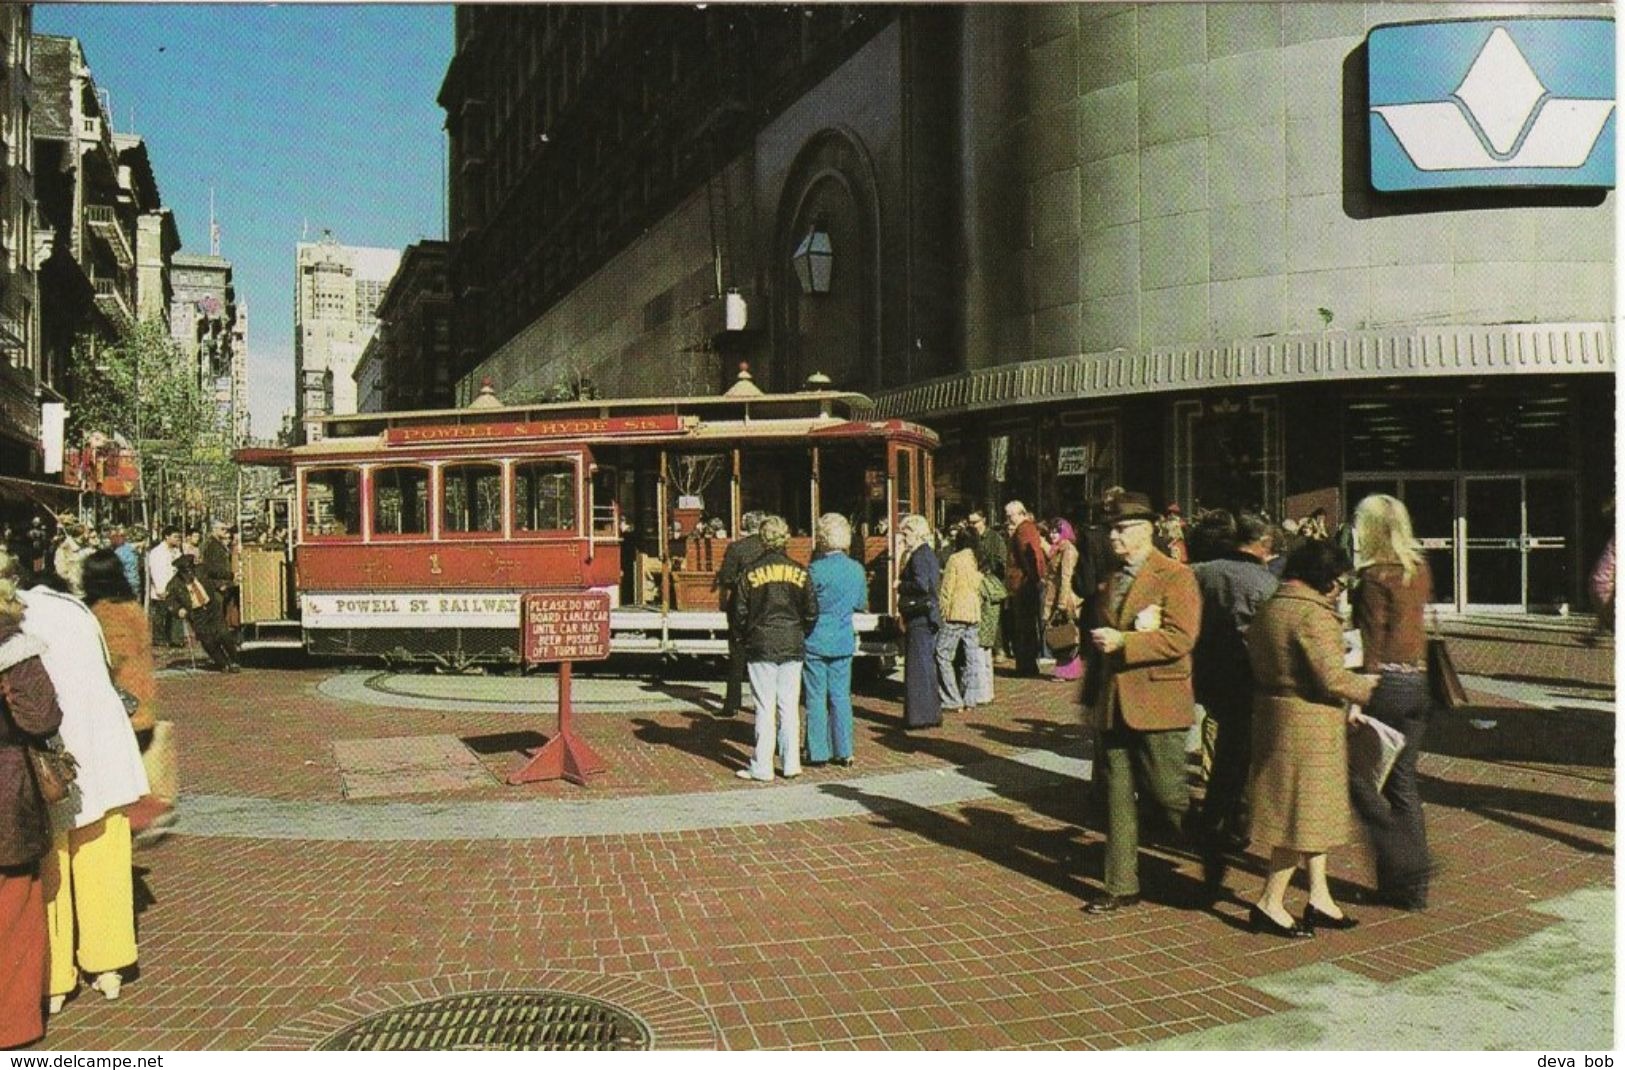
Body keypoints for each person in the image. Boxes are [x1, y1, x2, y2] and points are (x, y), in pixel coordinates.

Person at [12, 556, 149, 1010]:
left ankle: (53, 978)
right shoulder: (72, 609)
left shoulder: (15, 619)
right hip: (104, 747)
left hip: (52, 756)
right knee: (103, 859)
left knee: (51, 864)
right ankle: (108, 963)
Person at [1078, 491, 1204, 914]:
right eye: (1110, 528)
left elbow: (1182, 637)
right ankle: (1120, 885)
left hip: (1158, 700)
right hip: (1115, 702)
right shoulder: (1111, 578)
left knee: (1168, 795)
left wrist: (1126, 641)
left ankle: (1213, 846)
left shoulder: (1175, 576)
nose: (1112, 536)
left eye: (1121, 528)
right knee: (1116, 796)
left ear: (1146, 531)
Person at [1246, 539, 1376, 937]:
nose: (1340, 590)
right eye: (1340, 582)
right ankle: (1270, 901)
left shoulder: (1273, 606)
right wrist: (1372, 688)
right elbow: (1331, 677)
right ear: (1326, 579)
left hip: (1277, 714)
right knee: (1299, 817)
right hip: (1310, 723)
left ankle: (1319, 895)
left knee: (1308, 811)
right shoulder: (1314, 615)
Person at [1349, 493, 1436, 910]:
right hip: (1418, 681)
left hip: (1385, 685)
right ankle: (1410, 885)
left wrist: (1358, 698)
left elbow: (1374, 641)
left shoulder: (1373, 578)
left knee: (1361, 780)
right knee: (1403, 783)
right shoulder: (1416, 569)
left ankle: (1404, 863)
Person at [0, 558, 64, 1049]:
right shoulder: (12, 646)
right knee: (14, 910)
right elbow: (42, 717)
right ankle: (11, 1028)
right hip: (5, 792)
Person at [1190, 511, 1279, 859]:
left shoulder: (1201, 572)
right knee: (1241, 753)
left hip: (1209, 671)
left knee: (1226, 747)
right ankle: (1232, 821)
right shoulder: (1264, 583)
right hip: (1246, 675)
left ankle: (1216, 817)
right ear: (1261, 544)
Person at [80, 550, 172, 837]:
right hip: (142, 700)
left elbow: (113, 657)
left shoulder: (104, 613)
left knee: (116, 780)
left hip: (122, 707)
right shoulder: (132, 607)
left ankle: (133, 825)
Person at [734, 516, 817, 781]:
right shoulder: (801, 571)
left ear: (762, 538)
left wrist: (744, 636)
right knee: (789, 706)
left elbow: (739, 612)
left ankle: (762, 766)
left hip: (761, 643)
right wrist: (800, 632)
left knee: (764, 706)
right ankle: (791, 763)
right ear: (785, 538)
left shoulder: (750, 571)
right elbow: (812, 611)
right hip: (792, 642)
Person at [804, 513, 867, 767]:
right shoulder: (856, 570)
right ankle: (844, 750)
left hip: (815, 638)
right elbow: (860, 604)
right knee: (841, 696)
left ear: (821, 538)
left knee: (815, 696)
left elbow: (806, 606)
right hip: (842, 637)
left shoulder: (814, 570)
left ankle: (818, 751)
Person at [715, 511, 766, 719]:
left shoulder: (736, 548)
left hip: (740, 607)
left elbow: (726, 577)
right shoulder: (769, 548)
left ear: (745, 526)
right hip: (764, 606)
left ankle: (732, 703)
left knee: (737, 655)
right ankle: (762, 702)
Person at [896, 513, 943, 729]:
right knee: (925, 665)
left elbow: (922, 585)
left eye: (905, 533)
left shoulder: (919, 556)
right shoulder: (927, 554)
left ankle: (919, 715)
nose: (903, 538)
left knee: (918, 666)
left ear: (915, 533)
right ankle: (929, 713)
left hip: (920, 617)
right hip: (927, 616)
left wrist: (900, 585)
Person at [935, 524, 984, 712]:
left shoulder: (955, 559)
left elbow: (947, 589)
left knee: (943, 654)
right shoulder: (978, 559)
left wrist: (942, 611)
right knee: (971, 656)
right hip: (974, 610)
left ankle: (951, 697)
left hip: (956, 611)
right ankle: (970, 697)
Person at [166, 554, 238, 672]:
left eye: (191, 572)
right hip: (196, 614)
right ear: (181, 572)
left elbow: (216, 572)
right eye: (186, 573)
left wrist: (232, 575)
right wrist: (178, 610)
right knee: (208, 641)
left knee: (224, 634)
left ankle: (234, 660)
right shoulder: (174, 584)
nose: (190, 575)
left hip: (211, 607)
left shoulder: (201, 570)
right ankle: (223, 663)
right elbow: (169, 601)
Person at [1003, 500, 1046, 677]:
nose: (1007, 519)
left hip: (1023, 585)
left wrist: (1033, 578)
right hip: (1024, 584)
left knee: (1024, 627)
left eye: (1010, 515)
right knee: (1025, 627)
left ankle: (1026, 666)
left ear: (1021, 513)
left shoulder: (1024, 530)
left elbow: (1032, 557)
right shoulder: (1027, 528)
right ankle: (1027, 665)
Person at [1043, 518, 1083, 681]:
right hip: (1055, 594)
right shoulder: (1056, 549)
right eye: (1051, 531)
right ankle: (1067, 669)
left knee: (1065, 634)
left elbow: (1066, 576)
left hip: (1064, 597)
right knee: (1061, 633)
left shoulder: (1068, 549)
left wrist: (1062, 602)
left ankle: (1067, 670)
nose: (1052, 535)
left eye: (1056, 531)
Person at [200, 520, 241, 657]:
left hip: (222, 585)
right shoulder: (212, 546)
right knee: (217, 620)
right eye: (223, 529)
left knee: (221, 617)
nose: (226, 532)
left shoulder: (217, 544)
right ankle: (218, 651)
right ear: (215, 530)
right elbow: (211, 568)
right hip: (216, 586)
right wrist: (224, 580)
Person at [145, 527, 182, 648]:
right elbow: (156, 571)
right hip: (162, 588)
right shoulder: (157, 552)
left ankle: (174, 638)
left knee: (174, 614)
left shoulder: (176, 551)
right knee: (161, 615)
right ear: (167, 537)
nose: (178, 539)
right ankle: (159, 639)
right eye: (175, 536)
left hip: (175, 588)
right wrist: (160, 589)